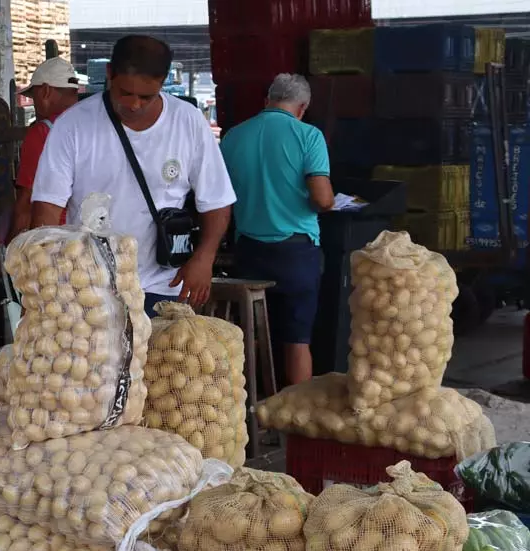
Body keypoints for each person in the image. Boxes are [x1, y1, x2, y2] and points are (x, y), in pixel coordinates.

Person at [31, 35, 236, 314]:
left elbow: (217, 200)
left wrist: (204, 257)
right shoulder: (73, 126)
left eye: (146, 97)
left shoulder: (188, 121)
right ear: (109, 75)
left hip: (163, 286)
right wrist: (50, 276)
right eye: (125, 93)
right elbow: (47, 207)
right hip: (90, 289)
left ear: (163, 83)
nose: (135, 104)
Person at [220, 73, 335, 386]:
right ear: (302, 107)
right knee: (296, 340)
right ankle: (294, 418)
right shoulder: (307, 135)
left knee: (253, 335)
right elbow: (322, 199)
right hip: (295, 253)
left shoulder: (233, 136)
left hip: (249, 252)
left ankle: (249, 409)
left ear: (267, 100)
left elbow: (219, 197)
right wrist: (331, 201)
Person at [10, 57, 80, 241]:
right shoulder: (92, 125)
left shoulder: (42, 133)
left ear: (46, 91)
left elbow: (26, 202)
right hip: (92, 236)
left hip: (56, 240)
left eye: (34, 98)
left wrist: (11, 252)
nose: (35, 105)